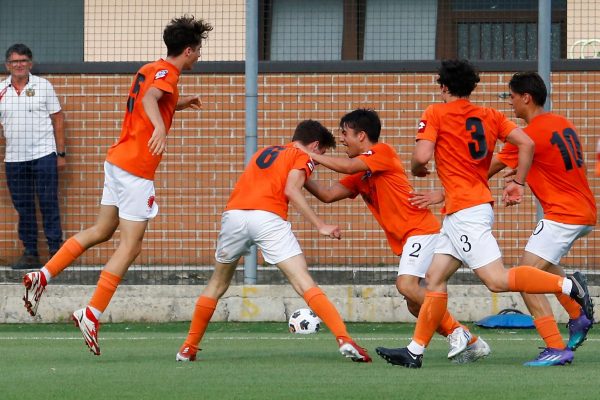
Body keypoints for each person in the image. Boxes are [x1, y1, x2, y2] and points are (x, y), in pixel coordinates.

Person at [374, 59, 594, 368]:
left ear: (443, 87)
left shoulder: (435, 112)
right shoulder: (491, 115)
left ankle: (570, 288)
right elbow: (526, 143)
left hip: (468, 211)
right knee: (434, 281)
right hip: (460, 210)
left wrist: (417, 167)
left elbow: (421, 156)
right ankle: (415, 351)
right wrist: (517, 180)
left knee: (497, 280)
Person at [21, 16, 213, 356]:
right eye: (198, 51)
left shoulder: (151, 68)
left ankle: (43, 275)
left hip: (117, 160)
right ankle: (91, 314)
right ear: (187, 50)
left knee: (101, 229)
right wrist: (159, 129)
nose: (199, 56)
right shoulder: (168, 75)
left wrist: (182, 104)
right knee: (131, 246)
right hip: (137, 169)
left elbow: (156, 99)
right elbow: (150, 101)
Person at [297, 108, 489, 363]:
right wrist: (300, 170)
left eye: (345, 133)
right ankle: (474, 344)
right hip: (412, 236)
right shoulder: (359, 173)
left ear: (362, 136)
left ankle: (458, 332)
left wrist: (306, 153)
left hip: (421, 230)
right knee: (413, 303)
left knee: (406, 285)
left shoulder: (382, 152)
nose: (341, 139)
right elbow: (327, 195)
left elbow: (345, 166)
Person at [176, 120, 371, 363]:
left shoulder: (265, 151)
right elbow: (291, 189)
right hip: (268, 217)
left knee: (216, 284)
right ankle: (344, 339)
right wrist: (320, 225)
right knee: (303, 282)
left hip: (234, 215)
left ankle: (188, 347)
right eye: (320, 153)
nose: (318, 160)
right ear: (315, 145)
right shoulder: (305, 155)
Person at [487, 72, 597, 366]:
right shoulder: (563, 122)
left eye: (511, 97)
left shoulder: (528, 135)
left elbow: (490, 168)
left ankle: (556, 347)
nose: (510, 103)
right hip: (584, 211)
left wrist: (456, 185)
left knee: (525, 277)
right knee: (545, 268)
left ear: (526, 97)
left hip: (563, 214)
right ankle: (578, 316)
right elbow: (553, 162)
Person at [1, 43, 65, 269]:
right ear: (8, 65)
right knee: (24, 207)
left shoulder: (43, 86)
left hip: (44, 155)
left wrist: (60, 153)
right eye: (14, 61)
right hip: (14, 160)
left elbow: (58, 119)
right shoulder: (1, 90)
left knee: (49, 203)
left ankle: (57, 251)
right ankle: (30, 253)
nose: (19, 65)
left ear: (31, 63)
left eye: (23, 61)